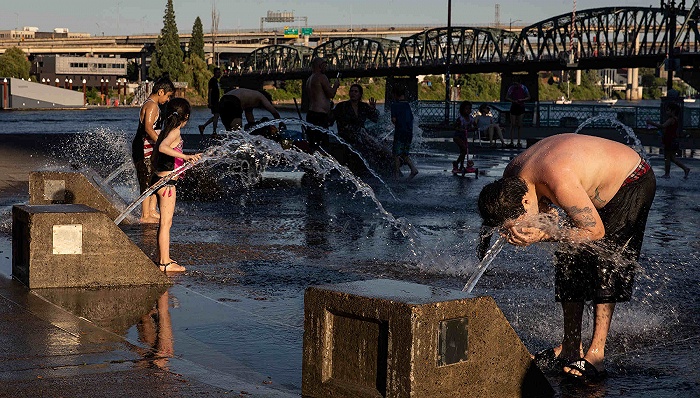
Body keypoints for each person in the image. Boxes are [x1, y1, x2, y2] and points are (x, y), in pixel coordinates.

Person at [477, 133, 656, 382]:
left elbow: (594, 231)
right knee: (568, 259)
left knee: (606, 262)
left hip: (630, 181)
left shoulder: (558, 181)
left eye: (515, 225)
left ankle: (596, 354)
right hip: (580, 182)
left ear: (526, 200)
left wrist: (543, 235)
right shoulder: (512, 179)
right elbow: (550, 216)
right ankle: (570, 347)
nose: (515, 231)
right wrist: (543, 226)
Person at [150, 97, 202, 272]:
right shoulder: (175, 132)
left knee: (164, 223)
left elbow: (167, 151)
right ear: (185, 117)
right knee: (166, 223)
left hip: (160, 179)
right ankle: (165, 263)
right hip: (168, 185)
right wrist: (185, 157)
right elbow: (163, 148)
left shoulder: (167, 129)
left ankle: (163, 257)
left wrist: (186, 158)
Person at [131, 78, 175, 224]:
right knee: (146, 180)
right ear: (160, 92)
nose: (168, 100)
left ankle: (152, 210)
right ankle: (145, 215)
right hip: (143, 148)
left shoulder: (154, 105)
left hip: (149, 147)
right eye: (167, 96)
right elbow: (148, 128)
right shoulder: (151, 106)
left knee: (153, 177)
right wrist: (162, 143)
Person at [333, 84, 391, 170]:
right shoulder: (342, 106)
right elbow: (333, 119)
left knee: (379, 144)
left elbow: (374, 119)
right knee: (368, 142)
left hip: (361, 134)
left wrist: (373, 109)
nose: (353, 93)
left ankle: (391, 162)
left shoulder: (363, 106)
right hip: (348, 134)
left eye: (356, 91)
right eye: (351, 91)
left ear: (360, 94)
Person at [647, 102, 690, 179]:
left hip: (670, 141)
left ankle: (667, 174)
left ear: (673, 111)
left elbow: (662, 126)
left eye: (668, 110)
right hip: (673, 140)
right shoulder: (676, 119)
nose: (666, 112)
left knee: (667, 157)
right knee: (672, 158)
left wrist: (651, 123)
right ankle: (685, 169)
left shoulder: (671, 119)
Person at [306, 57, 340, 152]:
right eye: (325, 65)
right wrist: (336, 86)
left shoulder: (309, 78)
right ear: (320, 66)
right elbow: (331, 94)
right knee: (323, 145)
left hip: (311, 114)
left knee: (313, 143)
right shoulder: (321, 77)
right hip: (320, 116)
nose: (326, 68)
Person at [390, 85, 419, 180]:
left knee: (396, 154)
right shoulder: (407, 105)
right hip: (409, 133)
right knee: (404, 154)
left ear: (394, 94)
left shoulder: (394, 105)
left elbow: (394, 120)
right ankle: (413, 169)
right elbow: (411, 118)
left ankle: (396, 175)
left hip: (400, 133)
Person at [505, 79, 531, 148]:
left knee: (519, 125)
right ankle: (511, 141)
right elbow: (507, 97)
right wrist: (513, 101)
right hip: (514, 106)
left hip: (521, 106)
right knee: (513, 124)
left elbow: (528, 97)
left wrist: (522, 100)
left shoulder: (523, 88)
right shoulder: (511, 88)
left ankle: (519, 141)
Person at [452, 101, 476, 173]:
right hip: (458, 136)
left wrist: (473, 128)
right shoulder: (460, 119)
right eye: (466, 109)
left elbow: (475, 125)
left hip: (464, 136)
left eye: (469, 109)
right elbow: (455, 127)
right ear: (462, 109)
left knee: (463, 151)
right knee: (464, 149)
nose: (468, 111)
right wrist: (461, 129)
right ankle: (460, 165)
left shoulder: (471, 118)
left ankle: (457, 163)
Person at [198, 67, 222, 136]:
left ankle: (203, 126)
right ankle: (214, 131)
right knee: (216, 115)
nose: (219, 74)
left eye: (219, 73)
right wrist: (210, 102)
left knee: (216, 116)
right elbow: (210, 92)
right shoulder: (212, 81)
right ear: (214, 73)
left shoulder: (216, 81)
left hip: (217, 101)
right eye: (217, 73)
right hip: (214, 101)